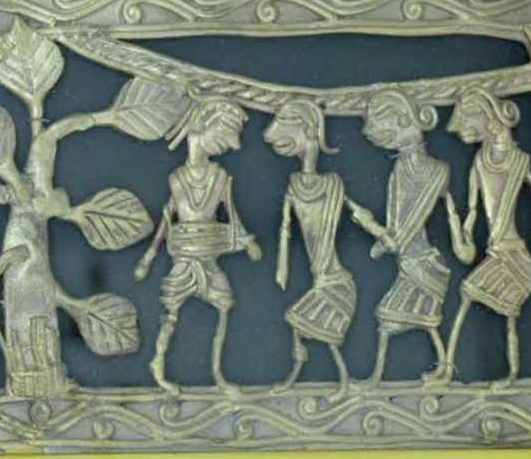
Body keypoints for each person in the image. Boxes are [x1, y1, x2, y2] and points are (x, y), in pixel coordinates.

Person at [134, 96, 261, 393]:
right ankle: (158, 366)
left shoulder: (221, 177)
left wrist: (247, 242)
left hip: (209, 257)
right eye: (227, 137)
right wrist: (149, 256)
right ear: (204, 126)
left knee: (224, 307)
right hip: (183, 259)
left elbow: (233, 215)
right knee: (171, 314)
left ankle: (218, 375)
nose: (234, 147)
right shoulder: (176, 178)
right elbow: (167, 218)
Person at [440, 85, 531, 383]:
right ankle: (447, 368)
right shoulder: (480, 161)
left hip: (515, 256)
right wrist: (465, 231)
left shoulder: (517, 161)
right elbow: (473, 207)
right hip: (495, 252)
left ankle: (511, 373)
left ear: (488, 119)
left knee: (504, 312)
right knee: (469, 295)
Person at [349, 87, 451, 384]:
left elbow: (398, 237)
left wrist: (370, 226)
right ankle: (439, 369)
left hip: (421, 261)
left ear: (405, 120)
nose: (377, 139)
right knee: (416, 321)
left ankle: (383, 376)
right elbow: (397, 230)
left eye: (384, 131)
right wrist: (382, 239)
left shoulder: (434, 171)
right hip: (415, 259)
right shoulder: (402, 168)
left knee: (394, 318)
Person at [266, 96, 356, 389]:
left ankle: (341, 382)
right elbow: (285, 228)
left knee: (315, 331)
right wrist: (282, 266)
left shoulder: (332, 184)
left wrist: (381, 233)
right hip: (323, 279)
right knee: (302, 326)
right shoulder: (295, 184)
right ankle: (311, 379)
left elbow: (355, 211)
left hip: (336, 281)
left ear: (307, 129)